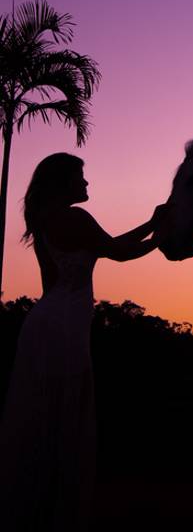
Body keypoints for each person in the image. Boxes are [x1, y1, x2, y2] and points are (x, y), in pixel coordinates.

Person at [0, 152, 166, 531]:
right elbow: (119, 252)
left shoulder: (47, 221)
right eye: (81, 176)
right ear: (64, 183)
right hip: (63, 329)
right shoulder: (75, 218)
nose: (87, 183)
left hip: (46, 322)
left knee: (42, 418)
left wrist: (154, 226)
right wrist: (162, 235)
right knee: (63, 418)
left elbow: (107, 245)